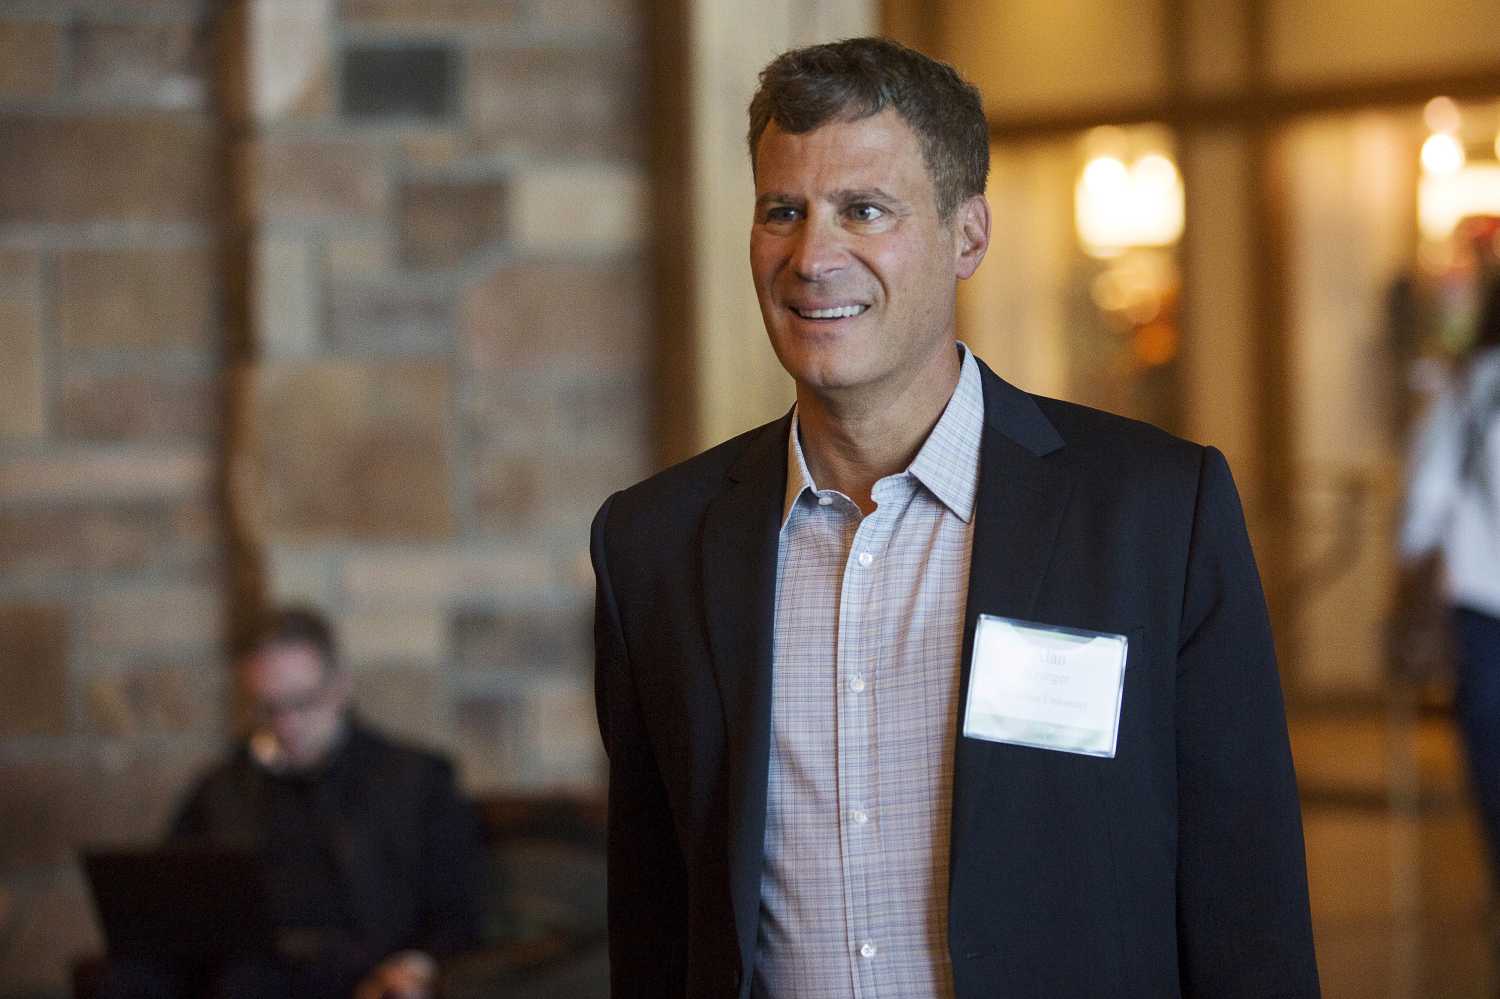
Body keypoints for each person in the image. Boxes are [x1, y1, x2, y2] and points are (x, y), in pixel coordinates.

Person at [590, 36, 1319, 999]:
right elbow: (657, 925)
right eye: (783, 211)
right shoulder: (653, 546)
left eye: (864, 210)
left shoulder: (1151, 513)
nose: (813, 256)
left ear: (968, 236)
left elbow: (1249, 915)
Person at [101, 606, 486, 999]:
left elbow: (456, 913)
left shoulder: (416, 780)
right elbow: (164, 903)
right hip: (246, 973)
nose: (286, 725)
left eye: (303, 703)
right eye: (268, 708)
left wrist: (413, 967)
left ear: (340, 687)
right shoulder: (221, 788)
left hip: (358, 972)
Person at [1400, 276, 1500, 900]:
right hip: (1479, 601)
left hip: (1482, 603)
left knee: (1492, 759)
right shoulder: (1470, 389)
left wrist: (1408, 561)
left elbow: (1427, 498)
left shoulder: (1468, 388)